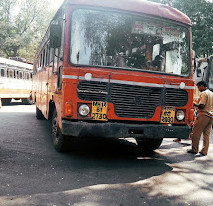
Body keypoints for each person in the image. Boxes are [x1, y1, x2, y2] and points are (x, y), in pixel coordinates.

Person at [187, 81, 213, 156]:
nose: (198, 89)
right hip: (211, 116)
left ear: (202, 86)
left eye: (198, 87)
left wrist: (193, 103)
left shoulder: (204, 93)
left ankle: (194, 149)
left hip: (203, 115)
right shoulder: (211, 93)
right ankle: (204, 151)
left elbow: (202, 105)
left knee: (196, 132)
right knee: (206, 134)